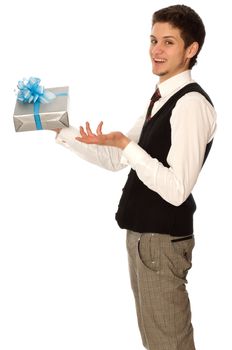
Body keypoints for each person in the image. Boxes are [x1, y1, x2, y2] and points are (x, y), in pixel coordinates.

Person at [54, 4, 217, 350]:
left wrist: (127, 145)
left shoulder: (191, 105)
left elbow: (177, 189)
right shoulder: (160, 99)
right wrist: (61, 130)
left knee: (169, 344)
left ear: (191, 50)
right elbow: (117, 158)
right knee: (157, 343)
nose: (156, 50)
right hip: (144, 241)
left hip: (161, 243)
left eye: (168, 43)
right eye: (154, 40)